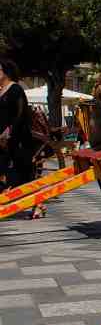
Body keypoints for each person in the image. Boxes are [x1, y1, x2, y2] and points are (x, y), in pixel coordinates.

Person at [0, 57, 43, 218]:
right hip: (2, 141)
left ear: (5, 72)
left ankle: (38, 204)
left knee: (24, 175)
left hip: (16, 140)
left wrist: (8, 133)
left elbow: (20, 115)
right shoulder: (1, 91)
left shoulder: (15, 89)